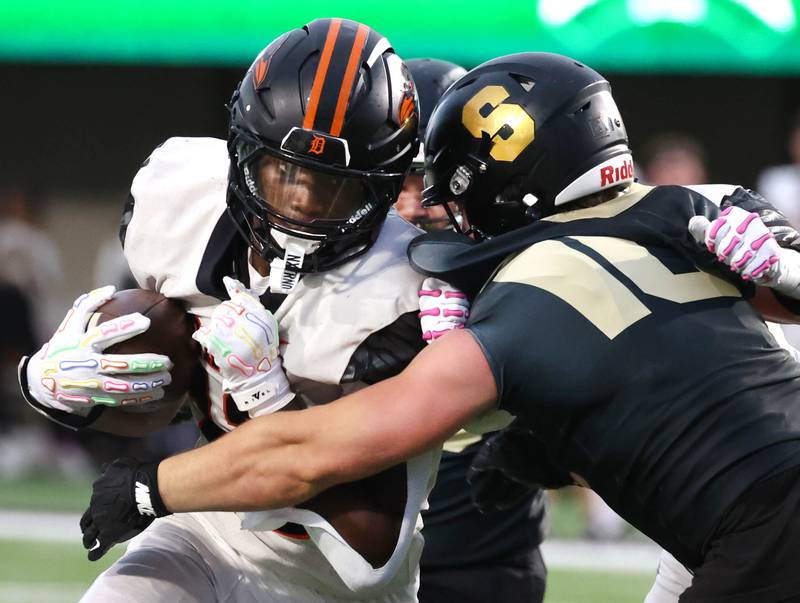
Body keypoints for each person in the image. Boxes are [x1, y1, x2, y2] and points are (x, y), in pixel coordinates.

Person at [33, 53, 800, 601]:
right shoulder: (676, 212)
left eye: (432, 186)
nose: (421, 209)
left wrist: (156, 482)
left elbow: (324, 460)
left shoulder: (485, 304)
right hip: (726, 523)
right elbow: (639, 388)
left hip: (750, 525)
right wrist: (54, 375)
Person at [17, 18, 466, 602]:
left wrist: (266, 394)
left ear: (380, 189)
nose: (301, 202)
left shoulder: (405, 296)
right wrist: (58, 383)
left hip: (330, 584)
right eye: (284, 172)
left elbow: (368, 553)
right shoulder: (179, 198)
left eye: (331, 186)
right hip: (206, 526)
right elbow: (173, 392)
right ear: (241, 151)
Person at [397, 58, 547, 603]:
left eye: (432, 179)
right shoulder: (339, 267)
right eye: (399, 179)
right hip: (353, 551)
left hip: (482, 554)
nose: (416, 201)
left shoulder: (527, 259)